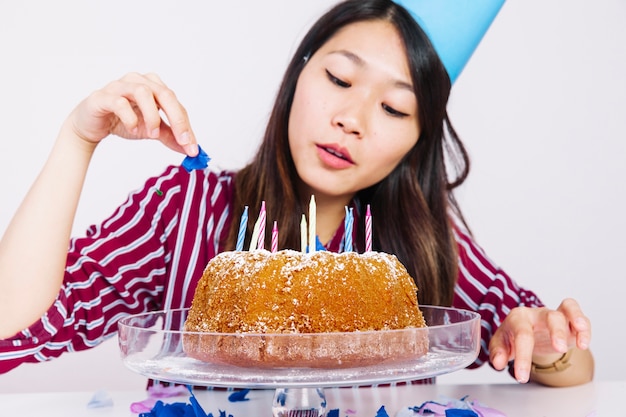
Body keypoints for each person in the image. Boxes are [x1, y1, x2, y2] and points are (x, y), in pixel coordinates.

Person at [0, 0, 593, 387]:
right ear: (297, 75)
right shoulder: (183, 213)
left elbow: (566, 364)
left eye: (394, 107)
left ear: (416, 140)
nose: (353, 118)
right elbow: (11, 325)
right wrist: (78, 139)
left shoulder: (422, 246)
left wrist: (544, 344)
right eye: (339, 78)